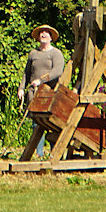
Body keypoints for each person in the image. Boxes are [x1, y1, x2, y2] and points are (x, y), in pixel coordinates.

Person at [18, 24, 65, 157]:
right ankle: (38, 153)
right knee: (36, 123)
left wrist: (41, 80)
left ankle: (55, 154)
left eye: (46, 33)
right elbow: (26, 73)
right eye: (41, 33)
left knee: (52, 124)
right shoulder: (33, 53)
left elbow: (57, 71)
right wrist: (21, 88)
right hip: (34, 94)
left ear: (51, 37)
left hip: (50, 94)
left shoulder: (56, 53)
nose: (43, 34)